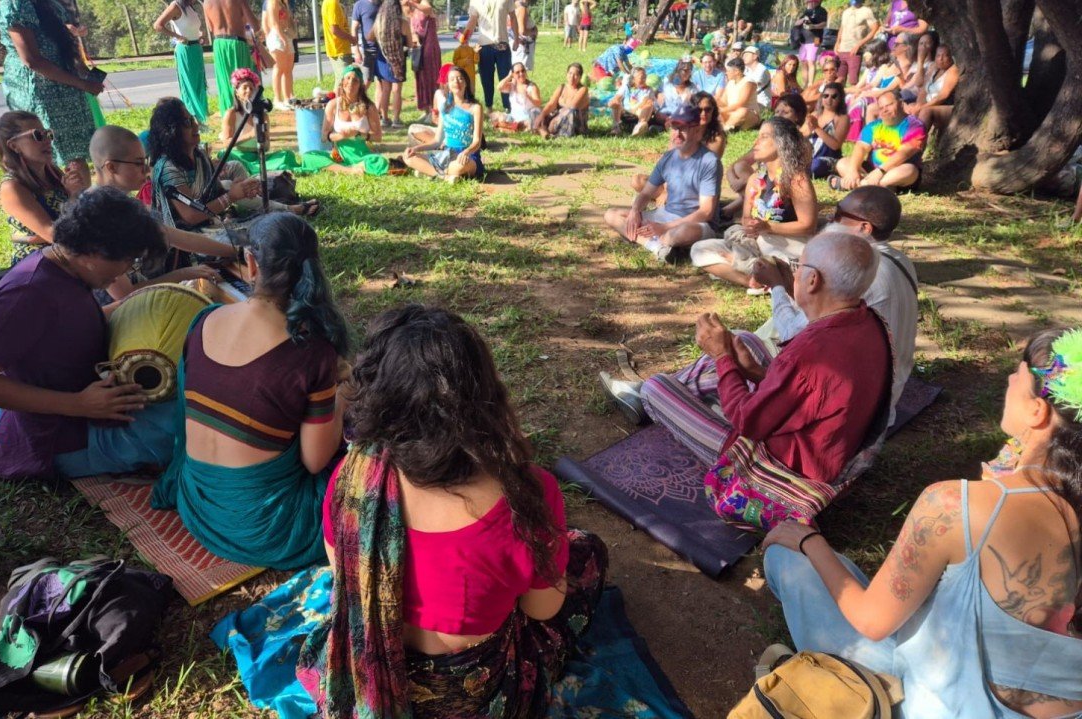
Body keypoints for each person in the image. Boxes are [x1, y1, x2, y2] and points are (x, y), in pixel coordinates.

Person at [297, 304, 608, 716]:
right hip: (470, 698)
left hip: (366, 674)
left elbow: (343, 571)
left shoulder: (353, 479)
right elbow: (542, 609)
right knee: (588, 552)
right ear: (483, 398)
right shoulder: (526, 497)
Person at [763, 327, 1082, 719]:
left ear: (1038, 410)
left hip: (943, 705)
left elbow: (871, 621)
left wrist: (809, 539)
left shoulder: (955, 504)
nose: (1011, 379)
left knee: (789, 558)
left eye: (1018, 373)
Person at [606, 232, 892, 531]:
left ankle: (649, 399)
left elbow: (748, 422)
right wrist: (752, 371)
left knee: (657, 387)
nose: (794, 273)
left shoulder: (813, 351)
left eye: (799, 266)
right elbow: (811, 396)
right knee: (743, 339)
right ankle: (673, 396)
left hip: (783, 467)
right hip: (826, 445)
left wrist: (721, 358)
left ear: (813, 281)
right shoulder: (867, 322)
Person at [151, 212, 350, 569]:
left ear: (252, 263)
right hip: (271, 531)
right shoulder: (311, 352)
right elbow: (315, 461)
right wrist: (345, 394)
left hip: (197, 505)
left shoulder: (204, 320)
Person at [0, 187, 174, 482]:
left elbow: (67, 326)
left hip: (91, 412)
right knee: (194, 420)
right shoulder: (28, 292)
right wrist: (79, 404)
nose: (126, 272)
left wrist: (140, 305)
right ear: (93, 249)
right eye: (128, 260)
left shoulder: (66, 269)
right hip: (63, 439)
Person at [750, 186, 917, 428]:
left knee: (742, 343)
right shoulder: (897, 259)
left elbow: (799, 337)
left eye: (839, 215)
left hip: (862, 405)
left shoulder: (858, 271)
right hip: (884, 384)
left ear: (864, 228)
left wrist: (777, 286)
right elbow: (824, 315)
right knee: (766, 329)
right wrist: (788, 285)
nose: (830, 219)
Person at [89, 125, 235, 301]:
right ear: (111, 167)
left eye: (145, 161)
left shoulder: (123, 203)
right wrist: (184, 274)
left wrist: (236, 252)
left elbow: (172, 236)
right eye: (138, 163)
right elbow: (124, 295)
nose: (146, 170)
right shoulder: (96, 215)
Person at [147, 97, 312, 232]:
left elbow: (215, 192)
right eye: (187, 122)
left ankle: (288, 211)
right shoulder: (168, 167)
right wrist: (231, 196)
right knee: (263, 233)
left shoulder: (199, 157)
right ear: (172, 130)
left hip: (207, 225)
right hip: (183, 241)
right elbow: (190, 216)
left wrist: (242, 189)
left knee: (271, 227)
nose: (196, 125)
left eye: (193, 119)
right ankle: (289, 211)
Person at [691, 118, 817, 288]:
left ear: (781, 143)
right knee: (698, 249)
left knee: (766, 244)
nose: (756, 142)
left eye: (764, 137)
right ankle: (753, 281)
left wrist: (769, 227)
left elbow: (809, 225)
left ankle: (749, 266)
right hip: (756, 243)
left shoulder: (797, 179)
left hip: (787, 244)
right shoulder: (754, 179)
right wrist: (750, 226)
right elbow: (745, 218)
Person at [0, 0, 102, 175]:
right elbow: (32, 60)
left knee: (75, 155)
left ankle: (78, 199)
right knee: (47, 153)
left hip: (67, 87)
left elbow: (52, 36)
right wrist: (82, 83)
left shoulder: (48, 3)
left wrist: (81, 70)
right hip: (42, 90)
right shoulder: (16, 4)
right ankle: (60, 198)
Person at [604, 105, 721, 262]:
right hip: (665, 215)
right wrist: (635, 211)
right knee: (611, 215)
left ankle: (653, 239)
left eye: (683, 128)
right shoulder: (668, 157)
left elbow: (706, 212)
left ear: (696, 131)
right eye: (674, 127)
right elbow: (646, 193)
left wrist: (665, 228)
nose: (677, 134)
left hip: (695, 224)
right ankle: (658, 247)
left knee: (680, 233)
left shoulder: (709, 161)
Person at [0, 111, 90, 264]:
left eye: (48, 134)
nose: (47, 141)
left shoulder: (53, 173)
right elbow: (54, 236)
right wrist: (73, 197)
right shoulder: (12, 187)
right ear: (14, 146)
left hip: (73, 252)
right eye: (37, 135)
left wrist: (80, 193)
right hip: (40, 264)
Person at [834, 89, 926, 191]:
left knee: (910, 170)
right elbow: (861, 147)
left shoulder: (915, 125)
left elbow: (904, 153)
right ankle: (876, 186)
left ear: (901, 103)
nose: (885, 110)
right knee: (842, 163)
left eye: (889, 105)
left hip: (897, 171)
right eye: (881, 108)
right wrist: (852, 171)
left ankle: (861, 185)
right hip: (871, 170)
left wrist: (880, 171)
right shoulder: (874, 125)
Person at [403, 65, 484, 181]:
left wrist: (466, 152)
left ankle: (429, 172)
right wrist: (415, 148)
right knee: (409, 158)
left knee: (458, 168)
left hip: (467, 156)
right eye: (452, 79)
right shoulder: (445, 108)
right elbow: (437, 141)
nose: (456, 82)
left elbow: (477, 141)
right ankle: (445, 177)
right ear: (448, 85)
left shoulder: (475, 107)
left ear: (466, 82)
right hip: (447, 155)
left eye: (460, 78)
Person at [154, 0, 211, 128]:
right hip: (185, 49)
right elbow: (158, 25)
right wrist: (177, 37)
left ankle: (200, 119)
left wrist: (200, 36)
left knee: (199, 84)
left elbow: (192, 28)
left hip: (196, 48)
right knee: (189, 84)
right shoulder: (176, 6)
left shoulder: (191, 7)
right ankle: (192, 120)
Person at [203, 0, 263, 115]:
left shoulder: (207, 2)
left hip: (219, 44)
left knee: (225, 83)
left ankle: (228, 115)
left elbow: (210, 28)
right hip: (237, 43)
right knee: (244, 81)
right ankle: (245, 115)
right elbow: (255, 26)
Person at [464, 0, 518, 112]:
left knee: (506, 77)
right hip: (484, 46)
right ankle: (489, 107)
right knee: (486, 79)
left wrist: (517, 38)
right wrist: (464, 39)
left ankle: (508, 108)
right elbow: (473, 20)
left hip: (502, 44)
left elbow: (513, 17)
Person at [369, 0, 412, 126]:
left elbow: (369, 37)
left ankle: (384, 119)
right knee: (397, 90)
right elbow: (409, 43)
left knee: (385, 89)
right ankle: (396, 120)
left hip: (382, 59)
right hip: (398, 60)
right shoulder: (403, 23)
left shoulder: (379, 23)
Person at [906, 44, 958, 137]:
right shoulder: (934, 68)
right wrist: (918, 106)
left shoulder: (952, 71)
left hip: (944, 106)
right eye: (938, 56)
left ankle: (916, 142)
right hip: (929, 103)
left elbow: (943, 96)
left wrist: (922, 107)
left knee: (925, 111)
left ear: (951, 57)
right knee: (909, 107)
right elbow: (923, 91)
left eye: (945, 56)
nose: (941, 59)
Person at [805, 81, 849, 178]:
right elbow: (801, 134)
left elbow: (835, 145)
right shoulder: (814, 114)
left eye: (834, 97)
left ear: (840, 99)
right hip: (809, 156)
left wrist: (816, 128)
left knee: (816, 166)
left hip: (828, 158)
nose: (829, 99)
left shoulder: (842, 118)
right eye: (826, 96)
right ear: (821, 98)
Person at [533, 62, 589, 139]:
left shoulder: (583, 89)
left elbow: (573, 105)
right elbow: (551, 104)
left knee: (571, 111)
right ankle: (542, 129)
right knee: (536, 111)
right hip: (557, 119)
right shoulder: (562, 87)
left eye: (575, 75)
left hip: (574, 124)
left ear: (580, 77)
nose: (572, 77)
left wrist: (561, 102)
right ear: (566, 74)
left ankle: (547, 131)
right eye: (570, 73)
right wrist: (541, 115)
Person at [408, 0, 442, 125]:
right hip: (419, 49)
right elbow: (412, 28)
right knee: (421, 79)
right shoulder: (413, 10)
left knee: (431, 78)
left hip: (430, 48)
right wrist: (414, 37)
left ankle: (434, 111)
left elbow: (427, 9)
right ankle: (426, 109)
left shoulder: (424, 4)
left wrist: (413, 3)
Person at [834, 0, 879, 85]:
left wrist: (860, 44)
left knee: (853, 81)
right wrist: (837, 43)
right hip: (842, 50)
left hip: (854, 51)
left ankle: (854, 97)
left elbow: (875, 28)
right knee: (839, 80)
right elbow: (842, 28)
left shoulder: (866, 11)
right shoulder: (846, 12)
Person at [263, 0, 297, 109]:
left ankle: (287, 98)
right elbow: (274, 24)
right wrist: (282, 39)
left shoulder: (284, 3)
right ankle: (277, 99)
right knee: (279, 68)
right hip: (277, 37)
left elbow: (288, 19)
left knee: (288, 68)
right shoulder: (272, 3)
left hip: (287, 34)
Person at [491, 63, 541, 132]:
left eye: (523, 71)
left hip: (527, 118)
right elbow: (499, 87)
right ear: (513, 74)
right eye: (517, 72)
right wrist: (509, 77)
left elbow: (538, 103)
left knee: (530, 124)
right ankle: (513, 128)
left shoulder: (532, 86)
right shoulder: (512, 85)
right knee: (494, 115)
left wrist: (528, 96)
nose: (521, 74)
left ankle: (504, 128)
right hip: (513, 117)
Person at [608, 67, 656, 137]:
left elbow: (647, 103)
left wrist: (639, 107)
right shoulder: (626, 88)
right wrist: (614, 101)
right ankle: (616, 126)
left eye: (645, 77)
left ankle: (640, 127)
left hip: (640, 113)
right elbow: (617, 97)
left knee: (649, 103)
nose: (644, 80)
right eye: (641, 78)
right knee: (616, 102)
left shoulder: (648, 90)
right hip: (626, 113)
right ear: (633, 79)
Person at [717, 58, 761, 131]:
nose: (726, 73)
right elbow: (723, 102)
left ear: (736, 71)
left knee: (742, 111)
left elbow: (740, 104)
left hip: (748, 114)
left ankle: (725, 128)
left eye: (728, 71)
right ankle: (729, 126)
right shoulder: (730, 83)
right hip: (731, 112)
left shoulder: (748, 82)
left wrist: (723, 110)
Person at [793, 0, 828, 87]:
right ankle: (805, 83)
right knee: (803, 62)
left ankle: (810, 84)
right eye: (808, 2)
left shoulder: (822, 11)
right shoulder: (806, 12)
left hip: (815, 40)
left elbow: (824, 24)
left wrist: (813, 26)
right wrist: (803, 19)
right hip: (804, 41)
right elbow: (796, 23)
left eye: (810, 2)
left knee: (811, 61)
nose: (809, 4)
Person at [321, 0, 356, 76]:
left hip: (339, 50)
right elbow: (335, 30)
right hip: (340, 51)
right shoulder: (332, 3)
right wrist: (351, 38)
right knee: (345, 83)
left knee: (341, 83)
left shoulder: (332, 3)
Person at [351, 0, 382, 85]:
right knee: (366, 81)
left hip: (383, 50)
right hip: (368, 51)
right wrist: (356, 51)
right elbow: (354, 29)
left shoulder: (383, 3)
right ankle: (357, 98)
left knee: (382, 82)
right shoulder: (359, 5)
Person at [510, 0, 538, 71]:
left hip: (517, 45)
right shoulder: (522, 8)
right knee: (521, 73)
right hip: (522, 48)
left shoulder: (513, 6)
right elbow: (522, 31)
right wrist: (534, 31)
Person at [741, 46, 771, 110]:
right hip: (750, 101)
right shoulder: (746, 69)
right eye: (743, 56)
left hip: (762, 104)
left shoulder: (762, 69)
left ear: (755, 56)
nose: (743, 57)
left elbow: (752, 86)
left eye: (746, 55)